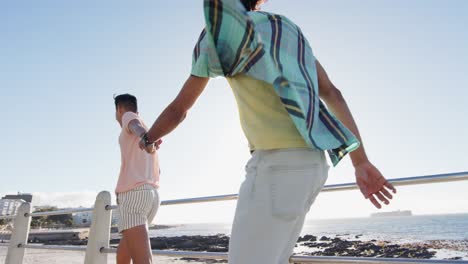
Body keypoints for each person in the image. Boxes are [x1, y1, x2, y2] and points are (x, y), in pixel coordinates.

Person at [139, 0, 397, 263]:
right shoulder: (287, 28)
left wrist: (148, 139)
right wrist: (360, 161)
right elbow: (332, 93)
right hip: (313, 165)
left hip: (276, 167)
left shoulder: (220, 33)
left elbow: (179, 109)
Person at [114, 94, 161, 264]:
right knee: (124, 252)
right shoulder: (151, 132)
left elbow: (134, 125)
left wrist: (144, 137)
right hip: (152, 195)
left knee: (142, 260)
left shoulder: (130, 117)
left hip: (134, 195)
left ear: (119, 108)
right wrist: (147, 138)